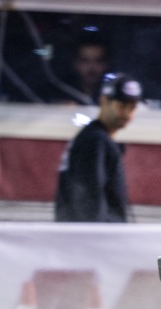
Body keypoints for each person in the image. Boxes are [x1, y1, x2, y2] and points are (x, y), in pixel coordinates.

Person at [54, 74, 141, 222]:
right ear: (104, 101)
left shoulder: (94, 137)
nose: (127, 113)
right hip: (93, 233)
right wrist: (97, 233)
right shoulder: (95, 141)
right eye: (121, 106)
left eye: (132, 107)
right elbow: (89, 200)